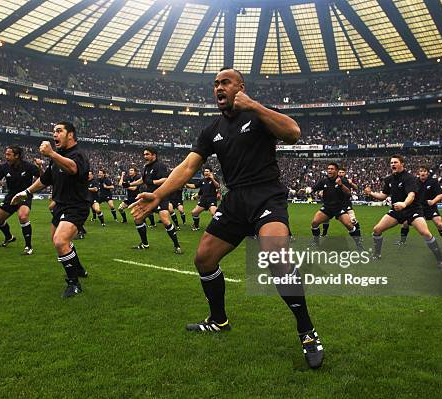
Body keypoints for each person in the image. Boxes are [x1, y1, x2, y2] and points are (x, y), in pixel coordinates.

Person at [131, 67, 324, 369]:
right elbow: (187, 166)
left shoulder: (258, 115)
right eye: (215, 84)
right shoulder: (211, 130)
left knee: (277, 257)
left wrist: (255, 106)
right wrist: (158, 194)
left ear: (240, 87)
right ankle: (219, 320)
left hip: (266, 195)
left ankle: (307, 331)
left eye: (225, 82)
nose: (218, 88)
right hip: (235, 200)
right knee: (204, 258)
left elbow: (293, 133)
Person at [11, 122, 90, 298]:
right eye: (54, 131)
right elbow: (45, 180)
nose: (55, 134)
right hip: (60, 205)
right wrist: (26, 192)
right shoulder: (57, 157)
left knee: (60, 241)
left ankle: (73, 284)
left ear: (71, 135)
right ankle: (78, 269)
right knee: (59, 241)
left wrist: (52, 154)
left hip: (76, 206)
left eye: (59, 131)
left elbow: (72, 168)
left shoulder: (79, 155)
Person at [364, 155, 442, 269]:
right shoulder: (389, 179)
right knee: (377, 230)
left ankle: (440, 260)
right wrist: (371, 193)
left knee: (426, 233)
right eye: (391, 163)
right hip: (397, 210)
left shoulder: (409, 178)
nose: (393, 164)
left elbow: (411, 195)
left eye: (395, 162)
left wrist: (404, 204)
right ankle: (377, 254)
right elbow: (383, 196)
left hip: (412, 210)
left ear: (402, 164)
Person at [0, 146, 42, 254]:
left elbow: (43, 177)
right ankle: (9, 237)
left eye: (9, 154)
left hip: (24, 195)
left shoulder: (28, 166)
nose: (6, 157)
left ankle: (28, 246)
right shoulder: (3, 167)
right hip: (11, 196)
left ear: (17, 156)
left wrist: (40, 166)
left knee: (23, 216)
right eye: (6, 154)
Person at [128, 147, 182, 254]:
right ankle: (145, 244)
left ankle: (177, 245)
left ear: (154, 155)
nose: (145, 156)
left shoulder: (160, 166)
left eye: (147, 154)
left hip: (161, 196)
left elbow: (165, 179)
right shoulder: (146, 167)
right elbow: (142, 180)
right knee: (138, 219)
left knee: (165, 220)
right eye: (144, 154)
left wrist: (152, 182)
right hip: (149, 197)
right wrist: (130, 184)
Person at [309, 163, 363, 250]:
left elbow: (348, 193)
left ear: (336, 171)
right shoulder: (323, 181)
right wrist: (307, 190)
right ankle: (316, 241)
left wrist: (341, 185)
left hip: (339, 208)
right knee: (314, 223)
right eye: (328, 168)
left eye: (332, 169)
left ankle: (359, 245)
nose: (329, 170)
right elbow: (313, 188)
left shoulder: (343, 180)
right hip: (327, 208)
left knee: (350, 225)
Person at [397, 166, 442, 247]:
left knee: (438, 223)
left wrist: (433, 201)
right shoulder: (414, 181)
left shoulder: (433, 182)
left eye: (424, 171)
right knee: (405, 223)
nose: (422, 173)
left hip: (430, 207)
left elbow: (440, 195)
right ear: (419, 173)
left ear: (427, 173)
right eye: (421, 171)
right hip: (417, 207)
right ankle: (402, 241)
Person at [323, 169, 361, 237]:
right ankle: (324, 234)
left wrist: (351, 183)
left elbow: (356, 188)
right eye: (339, 172)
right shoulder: (333, 180)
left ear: (345, 173)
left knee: (353, 220)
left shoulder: (347, 180)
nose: (341, 173)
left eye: (342, 172)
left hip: (346, 203)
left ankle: (358, 235)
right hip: (335, 204)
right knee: (326, 219)